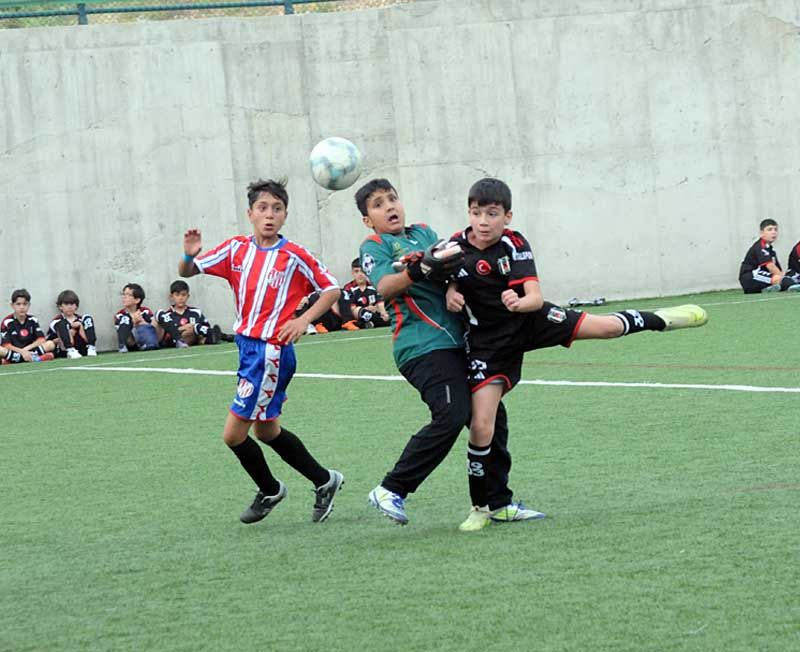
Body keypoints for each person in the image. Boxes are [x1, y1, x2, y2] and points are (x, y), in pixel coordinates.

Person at [445, 178, 708, 531]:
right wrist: (450, 291)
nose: (483, 221)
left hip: (531, 320)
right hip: (489, 345)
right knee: (481, 425)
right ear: (468, 213)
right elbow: (437, 275)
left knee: (606, 328)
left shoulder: (514, 243)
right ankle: (481, 508)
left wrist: (519, 302)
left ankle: (662, 320)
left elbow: (535, 297)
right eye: (476, 213)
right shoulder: (453, 246)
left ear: (507, 216)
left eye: (492, 214)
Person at [357, 177, 537, 527]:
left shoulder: (424, 232)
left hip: (459, 341)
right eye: (378, 204)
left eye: (392, 198)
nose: (390, 206)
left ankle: (498, 502)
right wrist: (421, 267)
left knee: (491, 419)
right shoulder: (374, 246)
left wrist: (453, 281)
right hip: (421, 346)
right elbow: (385, 287)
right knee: (453, 413)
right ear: (368, 219)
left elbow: (453, 263)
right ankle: (391, 488)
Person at [179, 178, 344, 524]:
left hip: (271, 354)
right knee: (266, 431)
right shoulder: (236, 249)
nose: (270, 215)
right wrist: (188, 255)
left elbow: (331, 289)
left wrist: (303, 320)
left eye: (277, 209)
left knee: (233, 435)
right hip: (247, 349)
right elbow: (189, 271)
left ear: (285, 215)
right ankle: (324, 480)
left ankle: (270, 489)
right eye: (263, 208)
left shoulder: (294, 255)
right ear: (250, 213)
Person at [155, 280, 232, 347]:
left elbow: (205, 326)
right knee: (194, 328)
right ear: (171, 296)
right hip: (177, 340)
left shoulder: (196, 312)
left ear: (188, 296)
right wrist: (184, 328)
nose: (180, 298)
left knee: (200, 334)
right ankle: (224, 336)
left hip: (196, 337)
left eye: (183, 295)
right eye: (177, 295)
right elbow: (167, 335)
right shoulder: (167, 315)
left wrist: (194, 328)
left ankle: (217, 338)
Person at [738, 219, 800, 293]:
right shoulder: (760, 246)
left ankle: (766, 289)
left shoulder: (770, 250)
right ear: (762, 233)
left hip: (760, 279)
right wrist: (785, 279)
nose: (773, 232)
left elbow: (777, 268)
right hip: (750, 277)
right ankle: (793, 286)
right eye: (769, 230)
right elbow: (770, 266)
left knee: (782, 280)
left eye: (775, 230)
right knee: (782, 279)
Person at [0, 289, 56, 363]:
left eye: (25, 304)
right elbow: (6, 345)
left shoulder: (33, 319)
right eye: (18, 304)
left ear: (29, 305)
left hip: (30, 351)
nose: (22, 307)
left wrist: (25, 350)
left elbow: (41, 339)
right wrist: (22, 352)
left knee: (50, 344)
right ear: (12, 305)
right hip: (14, 351)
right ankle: (36, 358)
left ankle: (14, 360)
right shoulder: (7, 322)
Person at [47, 290, 98, 359]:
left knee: (88, 317)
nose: (69, 307)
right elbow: (52, 341)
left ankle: (91, 347)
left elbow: (86, 338)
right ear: (60, 306)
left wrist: (81, 328)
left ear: (76, 306)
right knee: (61, 323)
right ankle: (70, 350)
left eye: (72, 304)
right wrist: (69, 330)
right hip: (64, 351)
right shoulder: (57, 321)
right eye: (66, 304)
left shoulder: (81, 319)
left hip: (82, 349)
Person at [344, 258, 390, 329]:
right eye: (356, 271)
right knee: (358, 310)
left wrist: (381, 312)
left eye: (362, 271)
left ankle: (371, 323)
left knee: (386, 311)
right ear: (352, 273)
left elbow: (380, 303)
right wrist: (366, 309)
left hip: (374, 314)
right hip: (358, 315)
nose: (360, 274)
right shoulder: (349, 288)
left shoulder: (374, 286)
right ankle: (382, 323)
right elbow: (352, 308)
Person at [114, 283, 159, 353]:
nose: (124, 297)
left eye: (128, 295)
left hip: (146, 338)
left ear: (137, 300)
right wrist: (133, 322)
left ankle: (150, 344)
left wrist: (142, 322)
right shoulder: (120, 315)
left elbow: (152, 328)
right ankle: (122, 346)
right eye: (123, 294)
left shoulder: (145, 311)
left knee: (154, 320)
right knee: (125, 320)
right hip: (132, 343)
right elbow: (120, 332)